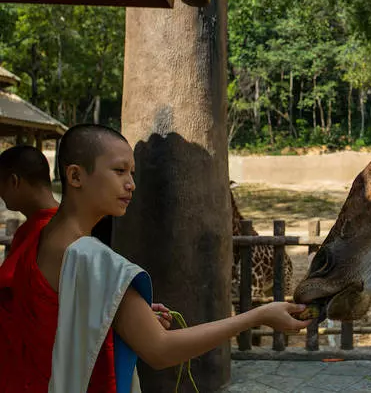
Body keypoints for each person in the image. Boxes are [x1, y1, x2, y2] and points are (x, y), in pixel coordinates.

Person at [2, 125, 311, 392]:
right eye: (119, 171)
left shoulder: (39, 236)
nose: (131, 184)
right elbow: (161, 351)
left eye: (132, 173)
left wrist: (115, 310)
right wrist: (258, 316)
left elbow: (57, 309)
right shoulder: (94, 260)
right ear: (75, 176)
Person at [0, 145, 173, 329]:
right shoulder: (35, 230)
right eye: (119, 171)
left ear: (14, 182)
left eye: (128, 172)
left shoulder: (62, 234)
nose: (131, 185)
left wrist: (126, 311)